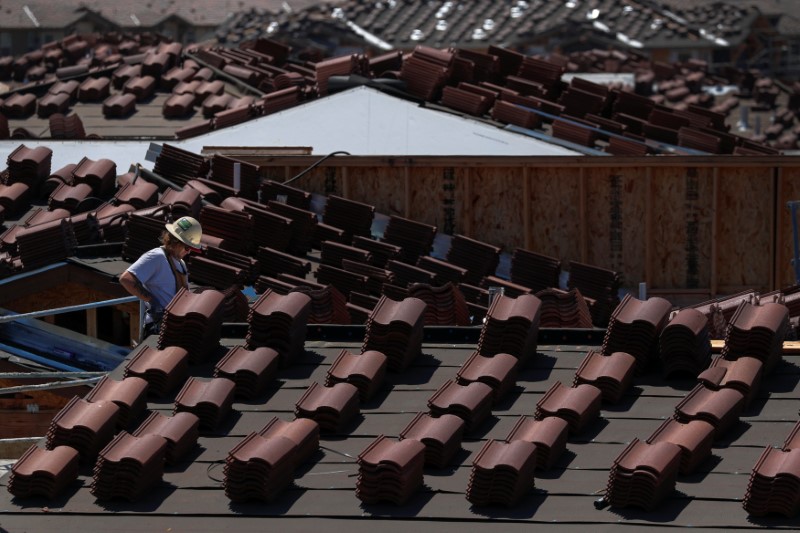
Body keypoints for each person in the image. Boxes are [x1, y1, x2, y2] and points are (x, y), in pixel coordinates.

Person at [119, 216, 203, 339]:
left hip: (175, 325)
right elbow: (126, 279)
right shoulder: (156, 257)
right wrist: (154, 303)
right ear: (175, 241)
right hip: (157, 327)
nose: (188, 252)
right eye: (187, 247)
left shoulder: (181, 264)